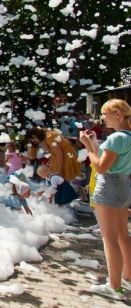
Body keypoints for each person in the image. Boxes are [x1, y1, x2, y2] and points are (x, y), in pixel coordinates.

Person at [79, 99, 131, 300]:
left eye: (104, 113)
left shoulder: (116, 138)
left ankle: (114, 287)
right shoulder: (126, 136)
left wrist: (88, 148)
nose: (101, 118)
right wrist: (93, 143)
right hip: (123, 186)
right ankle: (126, 278)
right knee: (122, 236)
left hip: (108, 187)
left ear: (117, 114)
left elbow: (100, 167)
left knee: (109, 240)